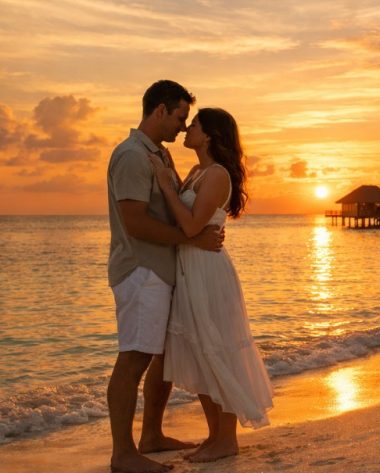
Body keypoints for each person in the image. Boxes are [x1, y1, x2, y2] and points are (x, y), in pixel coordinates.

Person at [106, 80, 224, 473]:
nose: (181, 126)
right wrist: (194, 239)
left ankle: (151, 435)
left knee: (159, 355)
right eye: (179, 117)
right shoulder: (131, 156)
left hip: (163, 269)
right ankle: (123, 454)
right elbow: (135, 222)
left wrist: (195, 238)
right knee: (134, 357)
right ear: (159, 110)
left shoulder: (158, 156)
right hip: (141, 269)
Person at [147, 107, 274, 463]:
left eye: (196, 123)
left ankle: (226, 439)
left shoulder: (216, 175)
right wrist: (171, 177)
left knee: (217, 347)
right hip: (190, 266)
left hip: (207, 270)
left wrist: (163, 182)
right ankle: (215, 434)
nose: (188, 127)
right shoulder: (195, 172)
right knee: (201, 351)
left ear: (211, 135)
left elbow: (189, 227)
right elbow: (186, 224)